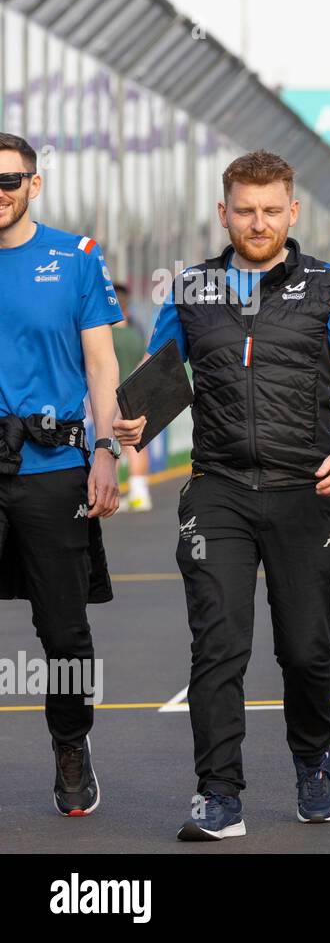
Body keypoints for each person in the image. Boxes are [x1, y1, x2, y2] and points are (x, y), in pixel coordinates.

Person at [114, 150, 330, 840]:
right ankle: (218, 794)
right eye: (244, 210)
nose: (257, 222)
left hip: (305, 490)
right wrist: (131, 420)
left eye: (271, 210)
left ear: (293, 212)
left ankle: (313, 759)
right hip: (219, 491)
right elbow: (157, 375)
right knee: (218, 644)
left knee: (304, 649)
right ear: (223, 212)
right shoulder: (191, 288)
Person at [0, 132, 123, 816]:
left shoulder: (74, 257)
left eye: (8, 182)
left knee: (65, 633)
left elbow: (102, 366)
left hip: (54, 467)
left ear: (34, 186)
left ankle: (71, 744)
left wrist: (104, 449)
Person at [109, 282, 153, 512]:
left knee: (109, 445)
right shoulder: (136, 335)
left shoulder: (106, 336)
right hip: (135, 392)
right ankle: (139, 492)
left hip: (112, 397)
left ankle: (109, 493)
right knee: (136, 444)